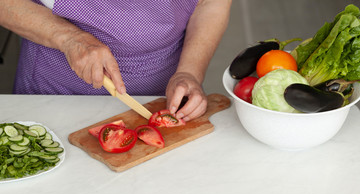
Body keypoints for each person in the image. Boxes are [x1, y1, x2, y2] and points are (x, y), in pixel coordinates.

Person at [0, 0, 231, 121]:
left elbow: (208, 3)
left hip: (162, 96)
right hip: (57, 91)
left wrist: (189, 73)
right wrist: (70, 38)